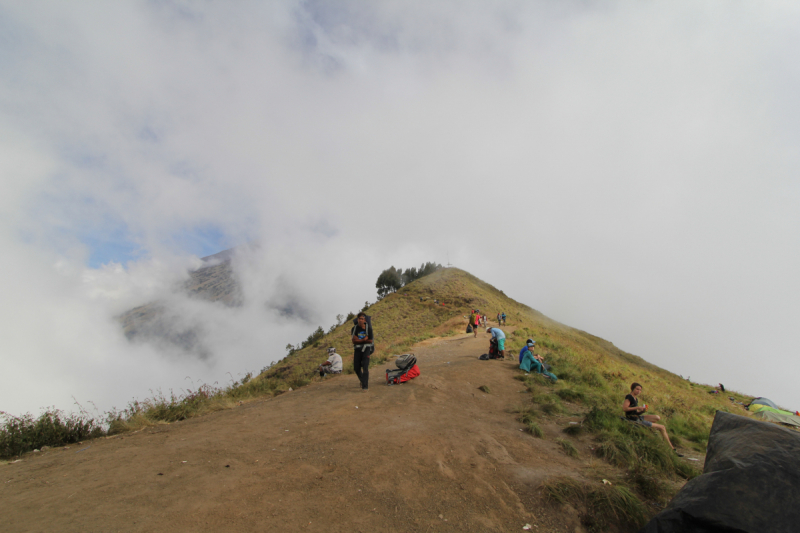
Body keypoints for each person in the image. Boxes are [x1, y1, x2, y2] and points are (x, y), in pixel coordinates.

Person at [623, 382, 682, 456]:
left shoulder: (635, 399)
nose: (639, 391)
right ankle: (672, 449)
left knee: (657, 417)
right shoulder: (629, 396)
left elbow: (635, 412)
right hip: (634, 420)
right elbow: (625, 408)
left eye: (640, 390)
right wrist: (638, 407)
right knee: (662, 427)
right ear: (632, 389)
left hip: (637, 417)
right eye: (637, 389)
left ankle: (650, 428)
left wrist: (642, 411)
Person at [351, 312, 374, 391]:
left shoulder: (369, 329)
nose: (360, 320)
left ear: (365, 320)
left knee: (365, 367)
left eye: (362, 319)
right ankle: (362, 380)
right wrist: (364, 340)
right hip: (357, 350)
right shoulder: (354, 329)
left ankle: (365, 386)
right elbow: (354, 341)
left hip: (366, 349)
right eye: (359, 319)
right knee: (356, 368)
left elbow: (370, 340)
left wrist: (359, 340)